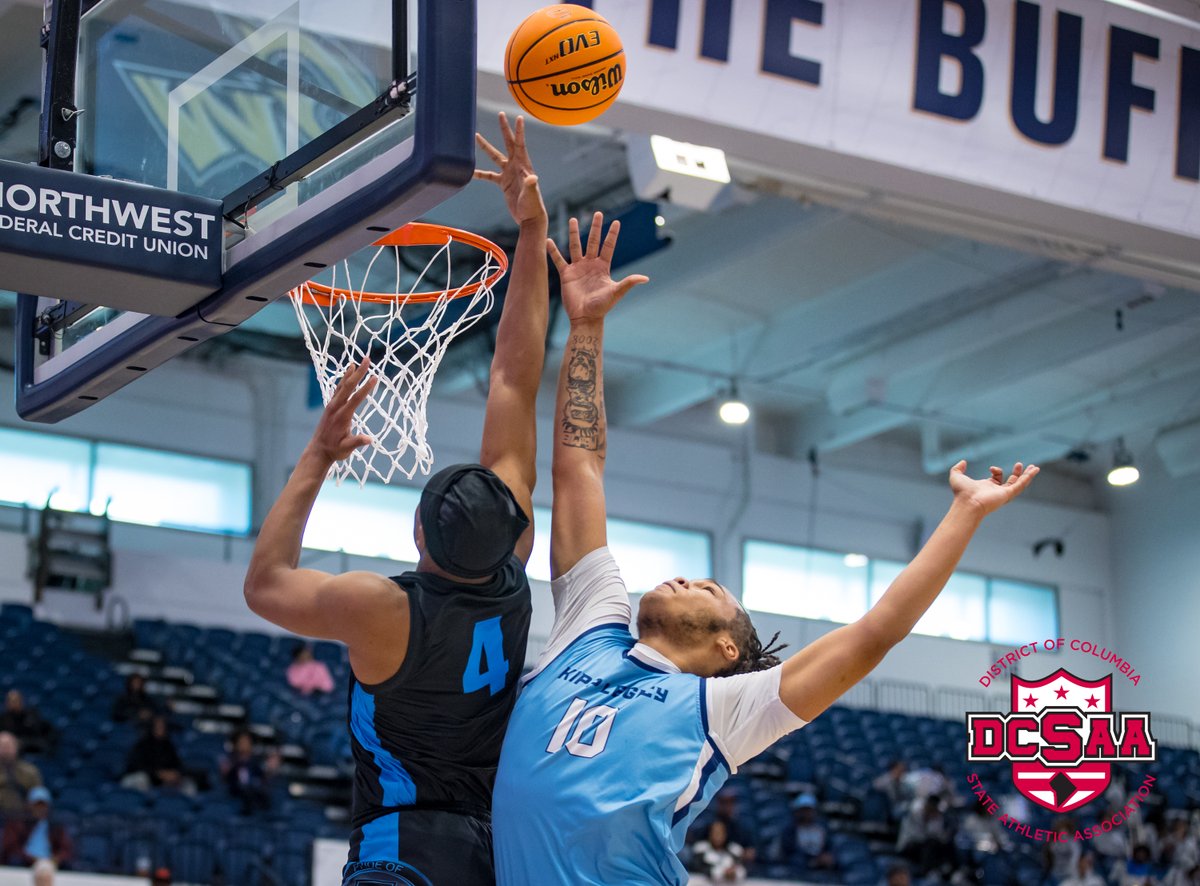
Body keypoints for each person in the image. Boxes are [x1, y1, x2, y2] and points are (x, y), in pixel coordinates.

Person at [490, 210, 1039, 885]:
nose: (690, 578)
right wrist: (587, 328)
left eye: (712, 592)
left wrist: (963, 514)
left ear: (726, 650)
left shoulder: (724, 709)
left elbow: (875, 634)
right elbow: (578, 468)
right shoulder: (590, 626)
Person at [243, 112, 550, 886]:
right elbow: (515, 377)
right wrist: (532, 230)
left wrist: (317, 455)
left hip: (405, 850)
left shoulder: (386, 609)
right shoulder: (512, 574)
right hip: (493, 849)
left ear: (419, 531)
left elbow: (264, 587)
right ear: (513, 526)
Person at [0, 787, 73, 885]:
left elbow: (66, 850)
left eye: (43, 806)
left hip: (49, 864)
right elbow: (11, 848)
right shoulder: (17, 824)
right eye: (36, 806)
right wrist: (32, 859)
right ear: (29, 806)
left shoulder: (56, 827)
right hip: (23, 865)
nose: (40, 809)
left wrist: (55, 860)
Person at [122, 715, 193, 794]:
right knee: (142, 778)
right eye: (158, 726)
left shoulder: (168, 746)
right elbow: (137, 766)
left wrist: (175, 773)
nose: (161, 729)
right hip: (138, 778)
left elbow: (177, 764)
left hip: (159, 780)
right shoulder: (142, 745)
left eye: (163, 726)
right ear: (152, 727)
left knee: (186, 782)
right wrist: (159, 773)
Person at [219, 729, 279, 815]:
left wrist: (270, 771)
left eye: (247, 742)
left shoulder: (257, 763)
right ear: (235, 744)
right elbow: (225, 781)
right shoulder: (229, 761)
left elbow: (264, 781)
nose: (244, 745)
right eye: (241, 742)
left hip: (255, 801)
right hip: (234, 798)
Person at [0, 732, 43, 818]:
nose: (6, 749)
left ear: (17, 747)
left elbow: (39, 796)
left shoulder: (30, 771)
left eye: (9, 745)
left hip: (24, 817)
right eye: (2, 745)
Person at [690, 819, 746, 883]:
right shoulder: (700, 849)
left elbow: (742, 869)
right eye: (714, 832)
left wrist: (735, 873)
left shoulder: (734, 850)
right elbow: (696, 868)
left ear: (725, 834)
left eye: (720, 832)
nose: (717, 836)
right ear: (709, 833)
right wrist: (722, 872)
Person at [0, 691, 55, 755]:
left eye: (16, 701)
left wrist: (22, 742)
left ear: (21, 701)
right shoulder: (2, 719)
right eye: (11, 701)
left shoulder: (31, 716)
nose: (14, 704)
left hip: (31, 749)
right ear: (6, 703)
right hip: (9, 753)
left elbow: (39, 736)